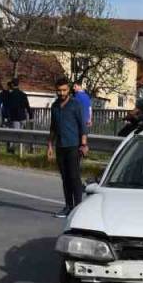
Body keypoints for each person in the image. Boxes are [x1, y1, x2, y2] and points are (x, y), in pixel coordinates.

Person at [48, 76, 89, 218]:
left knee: (74, 177)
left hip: (74, 146)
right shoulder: (54, 106)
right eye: (59, 91)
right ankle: (68, 206)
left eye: (64, 90)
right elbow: (53, 127)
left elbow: (82, 125)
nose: (61, 93)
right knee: (65, 178)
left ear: (68, 90)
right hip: (60, 146)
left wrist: (83, 144)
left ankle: (78, 208)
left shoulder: (75, 104)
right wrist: (50, 146)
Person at [0, 78, 33, 152]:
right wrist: (30, 116)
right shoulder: (23, 94)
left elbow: (4, 105)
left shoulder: (9, 95)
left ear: (12, 84)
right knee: (21, 134)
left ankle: (11, 149)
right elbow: (27, 106)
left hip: (14, 118)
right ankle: (22, 149)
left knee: (12, 135)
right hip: (23, 117)